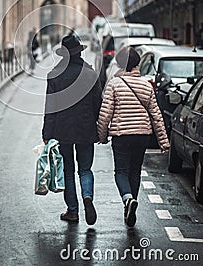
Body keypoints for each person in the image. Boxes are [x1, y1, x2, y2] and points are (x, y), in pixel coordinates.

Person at [97, 46, 170, 228]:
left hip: (122, 135)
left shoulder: (114, 84)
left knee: (121, 172)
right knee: (135, 171)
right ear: (138, 64)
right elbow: (156, 114)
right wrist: (163, 141)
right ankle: (132, 204)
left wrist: (102, 135)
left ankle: (128, 200)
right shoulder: (146, 85)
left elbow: (105, 114)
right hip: (142, 136)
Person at [42, 34, 102, 225]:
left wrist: (46, 134)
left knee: (68, 171)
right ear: (79, 52)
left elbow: (50, 107)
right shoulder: (90, 74)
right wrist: (101, 130)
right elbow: (98, 105)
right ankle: (87, 197)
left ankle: (73, 211)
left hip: (63, 130)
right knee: (85, 169)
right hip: (86, 129)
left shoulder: (54, 75)